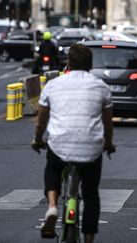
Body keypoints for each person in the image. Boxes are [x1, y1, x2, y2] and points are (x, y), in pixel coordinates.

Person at [31, 43, 116, 243]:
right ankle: (88, 239)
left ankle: (52, 206)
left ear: (68, 63)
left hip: (60, 146)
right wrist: (109, 144)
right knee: (90, 194)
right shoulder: (101, 87)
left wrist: (37, 139)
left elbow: (41, 121)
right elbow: (108, 124)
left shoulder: (53, 85)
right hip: (91, 149)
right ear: (90, 65)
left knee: (52, 168)